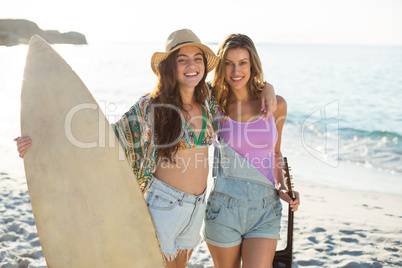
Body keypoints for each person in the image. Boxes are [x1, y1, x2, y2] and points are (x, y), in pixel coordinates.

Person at [15, 29, 277, 267]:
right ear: (169, 67)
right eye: (182, 59)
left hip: (197, 209)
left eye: (197, 58)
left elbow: (240, 84)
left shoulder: (209, 100)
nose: (191, 65)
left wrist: (268, 88)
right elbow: (102, 142)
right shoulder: (151, 107)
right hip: (164, 206)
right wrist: (42, 144)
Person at [203, 33, 301, 268]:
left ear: (252, 64)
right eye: (229, 63)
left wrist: (283, 186)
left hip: (265, 210)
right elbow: (186, 87)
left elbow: (276, 154)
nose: (236, 71)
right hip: (224, 208)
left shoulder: (276, 104)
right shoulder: (214, 103)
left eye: (242, 63)